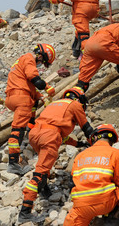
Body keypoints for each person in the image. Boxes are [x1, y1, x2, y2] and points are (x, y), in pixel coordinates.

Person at [18, 87, 94, 224]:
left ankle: (44, 190)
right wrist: (95, 143)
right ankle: (25, 212)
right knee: (40, 173)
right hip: (49, 137)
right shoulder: (74, 104)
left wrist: (78, 144)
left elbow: (59, 134)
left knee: (44, 164)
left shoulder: (55, 104)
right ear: (78, 98)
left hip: (35, 135)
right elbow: (86, 128)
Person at [5, 44, 56, 176]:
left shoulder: (20, 61)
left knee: (33, 104)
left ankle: (30, 129)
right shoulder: (29, 59)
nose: (40, 65)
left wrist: (40, 96)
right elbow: (35, 79)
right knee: (17, 131)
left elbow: (27, 84)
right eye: (42, 62)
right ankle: (13, 164)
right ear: (40, 55)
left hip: (12, 97)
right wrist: (48, 88)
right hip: (21, 99)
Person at [64, 124, 119, 226]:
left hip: (81, 204)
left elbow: (72, 183)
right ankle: (112, 215)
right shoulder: (117, 154)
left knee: (73, 221)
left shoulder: (80, 155)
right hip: (106, 203)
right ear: (112, 140)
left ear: (95, 137)